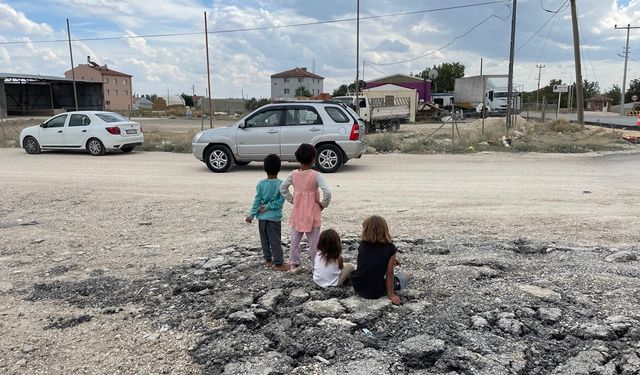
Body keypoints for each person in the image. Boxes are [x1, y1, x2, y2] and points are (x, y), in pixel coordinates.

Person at [280, 143, 332, 269]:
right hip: (312, 213)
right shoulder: (316, 175)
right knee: (314, 243)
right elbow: (328, 191)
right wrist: (323, 204)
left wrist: (292, 199)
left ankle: (294, 262)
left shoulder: (293, 174)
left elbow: (282, 188)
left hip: (298, 212)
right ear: (313, 158)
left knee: (294, 240)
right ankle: (316, 266)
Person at [351, 215, 409, 305]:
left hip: (358, 286)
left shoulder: (362, 245)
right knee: (407, 275)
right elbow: (389, 273)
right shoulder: (390, 248)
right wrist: (391, 294)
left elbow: (370, 260)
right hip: (375, 290)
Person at [246, 154, 290, 271]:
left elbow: (257, 200)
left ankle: (268, 261)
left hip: (261, 218)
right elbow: (280, 202)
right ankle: (279, 263)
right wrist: (268, 207)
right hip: (274, 218)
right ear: (279, 168)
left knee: (264, 240)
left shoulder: (261, 184)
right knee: (275, 240)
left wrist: (252, 215)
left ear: (264, 168)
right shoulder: (281, 184)